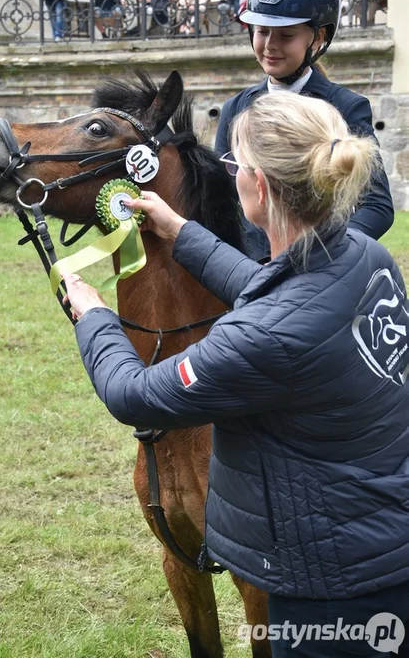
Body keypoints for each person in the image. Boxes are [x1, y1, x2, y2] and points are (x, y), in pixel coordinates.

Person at [62, 89, 409, 657]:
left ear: (260, 187)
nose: (229, 172)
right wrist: (179, 230)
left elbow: (135, 395)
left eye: (236, 163)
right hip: (382, 539)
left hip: (324, 587)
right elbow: (270, 293)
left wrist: (96, 318)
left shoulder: (265, 336)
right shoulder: (366, 259)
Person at [215, 0, 394, 262]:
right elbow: (220, 199)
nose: (270, 45)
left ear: (318, 37)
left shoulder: (346, 108)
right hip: (247, 274)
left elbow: (377, 206)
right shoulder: (235, 109)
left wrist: (320, 257)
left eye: (286, 35)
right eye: (262, 31)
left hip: (314, 272)